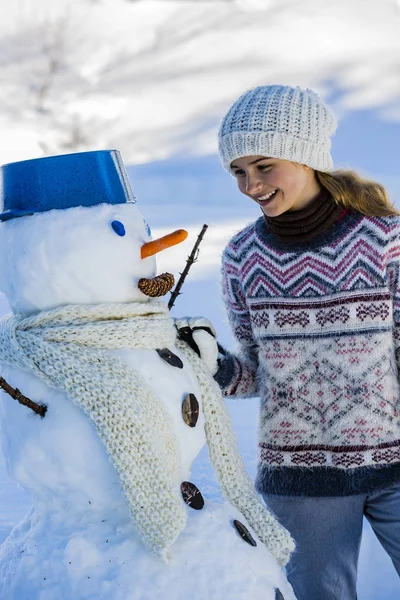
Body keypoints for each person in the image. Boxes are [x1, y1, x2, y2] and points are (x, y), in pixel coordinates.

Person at [176, 84, 400, 599]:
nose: (250, 184)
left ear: (306, 156)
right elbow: (258, 371)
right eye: (238, 172)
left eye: (263, 165)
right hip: (300, 480)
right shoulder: (243, 258)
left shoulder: (383, 239)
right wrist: (213, 365)